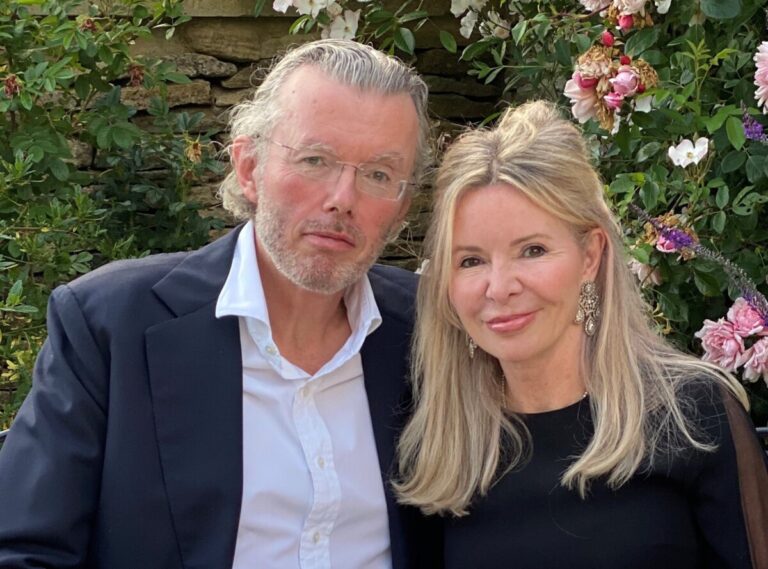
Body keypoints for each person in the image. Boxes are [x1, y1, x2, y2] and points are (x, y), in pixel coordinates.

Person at [0, 39, 442, 568]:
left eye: (377, 175)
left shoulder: (432, 329)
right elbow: (24, 551)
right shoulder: (111, 326)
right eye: (315, 159)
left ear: (401, 207)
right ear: (250, 166)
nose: (342, 198)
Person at [395, 100, 768, 568]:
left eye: (532, 250)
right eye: (470, 260)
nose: (499, 287)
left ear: (590, 255)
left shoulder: (693, 416)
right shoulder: (439, 447)